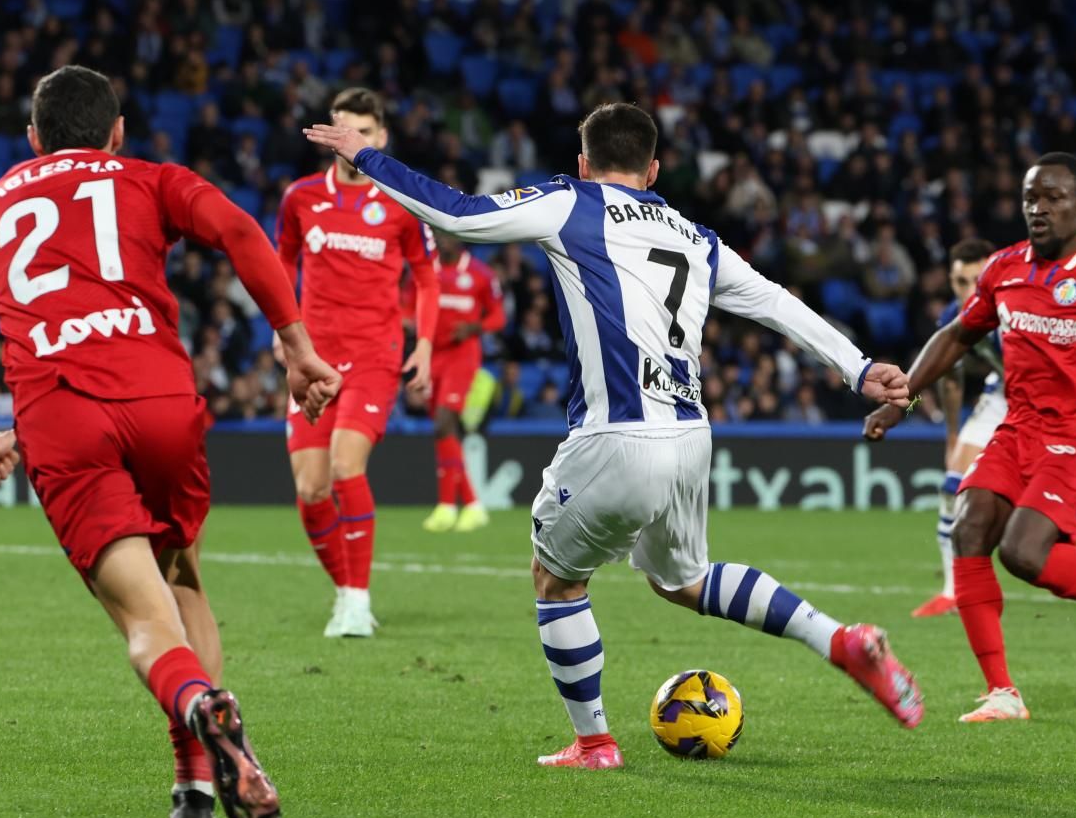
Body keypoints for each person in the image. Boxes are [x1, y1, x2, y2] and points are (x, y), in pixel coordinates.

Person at [306, 103, 924, 770]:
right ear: (654, 170)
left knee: (556, 578)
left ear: (583, 161)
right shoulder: (693, 233)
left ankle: (594, 742)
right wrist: (859, 365)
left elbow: (457, 213)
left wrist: (364, 156)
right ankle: (840, 641)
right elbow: (776, 301)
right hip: (690, 438)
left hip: (616, 434)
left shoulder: (570, 201)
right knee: (683, 581)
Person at [0, 65, 342, 818]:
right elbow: (240, 231)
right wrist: (297, 348)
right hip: (162, 401)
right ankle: (196, 790)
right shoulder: (149, 176)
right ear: (118, 131)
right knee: (181, 576)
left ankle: (201, 707)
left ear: (31, 139)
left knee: (142, 620)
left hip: (63, 414)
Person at [864, 153, 1076, 723]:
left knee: (1023, 553)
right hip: (1018, 428)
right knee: (967, 528)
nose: (1038, 209)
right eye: (1030, 198)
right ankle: (1002, 692)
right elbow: (955, 335)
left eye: (1052, 198)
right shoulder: (1003, 268)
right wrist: (901, 399)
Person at [276, 87, 439, 638]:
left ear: (381, 138)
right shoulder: (299, 197)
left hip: (375, 351)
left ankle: (355, 599)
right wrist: (286, 335)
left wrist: (424, 345)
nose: (352, 140)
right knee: (311, 488)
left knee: (347, 466)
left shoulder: (400, 203)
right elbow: (281, 264)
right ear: (327, 134)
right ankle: (346, 592)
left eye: (364, 132)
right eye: (343, 128)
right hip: (314, 356)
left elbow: (427, 277)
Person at [919, 239, 1076, 618]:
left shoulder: (1021, 293)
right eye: (958, 281)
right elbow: (949, 379)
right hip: (1001, 396)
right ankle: (952, 590)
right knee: (952, 486)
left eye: (974, 279)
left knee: (1064, 499)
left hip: (1050, 404)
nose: (968, 289)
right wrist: (952, 433)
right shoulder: (957, 315)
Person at [410, 231, 508, 533]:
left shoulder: (480, 274)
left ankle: (447, 505)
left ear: (461, 239)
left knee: (443, 423)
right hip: (431, 355)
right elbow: (405, 305)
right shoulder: (426, 271)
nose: (442, 241)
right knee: (444, 432)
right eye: (438, 236)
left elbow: (498, 317)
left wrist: (475, 328)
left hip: (462, 356)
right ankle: (471, 505)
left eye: (448, 236)